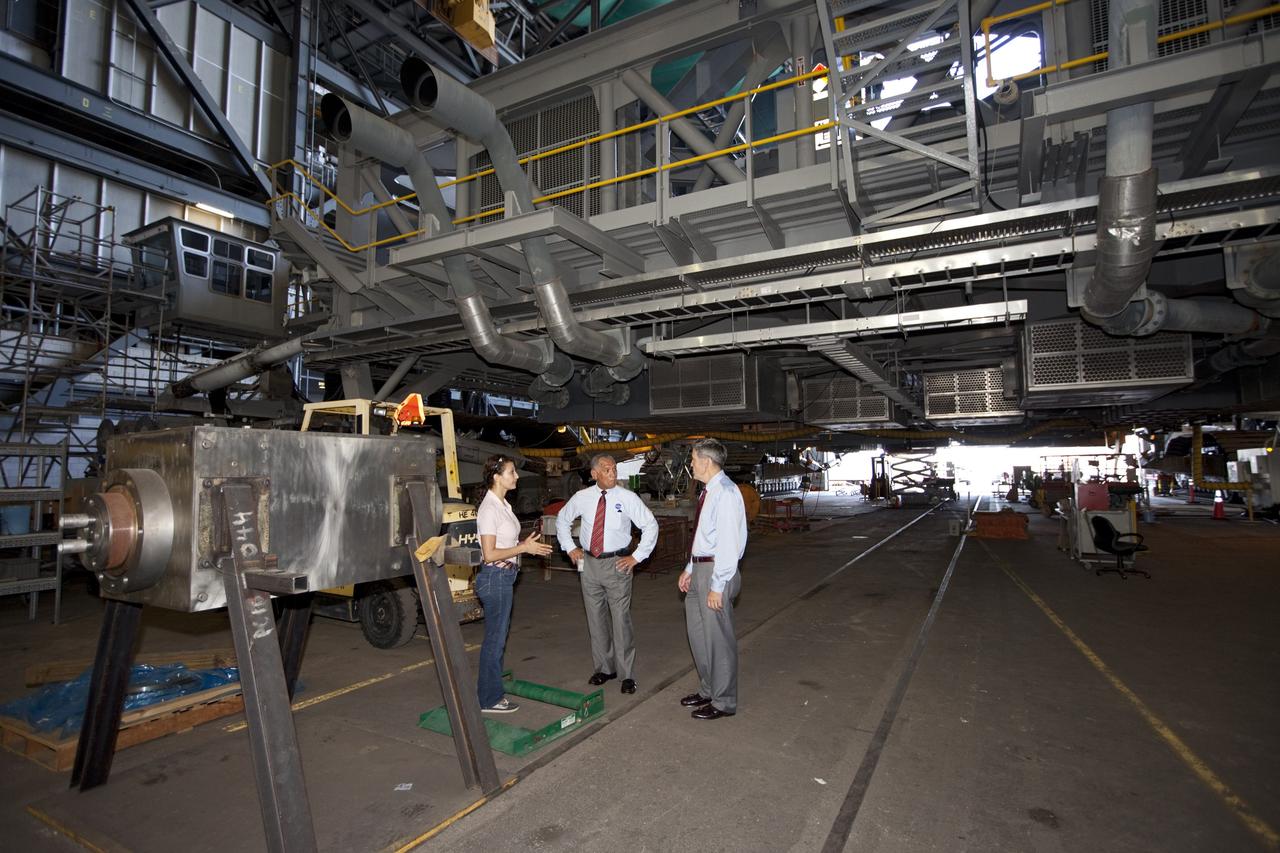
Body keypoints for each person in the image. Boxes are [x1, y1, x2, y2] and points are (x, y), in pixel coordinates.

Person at [556, 453, 659, 695]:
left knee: (620, 620)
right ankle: (604, 668)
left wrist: (637, 556)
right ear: (594, 475)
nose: (612, 472)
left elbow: (650, 524)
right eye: (606, 469)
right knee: (595, 618)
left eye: (613, 468)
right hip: (589, 565)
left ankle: (626, 674)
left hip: (617, 564)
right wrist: (570, 548)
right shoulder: (582, 498)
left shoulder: (627, 497)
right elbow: (562, 520)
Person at [474, 454, 551, 713]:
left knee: (497, 640)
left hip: (504, 578)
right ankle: (489, 699)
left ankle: (490, 694)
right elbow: (489, 554)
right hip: (495, 579)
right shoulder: (489, 509)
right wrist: (524, 547)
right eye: (511, 472)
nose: (516, 476)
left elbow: (505, 545)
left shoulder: (503, 505)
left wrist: (523, 547)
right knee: (495, 642)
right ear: (497, 477)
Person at [678, 437, 747, 720]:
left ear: (706, 461)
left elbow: (729, 545)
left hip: (718, 572)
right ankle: (708, 689)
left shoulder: (727, 493)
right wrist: (689, 568)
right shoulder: (709, 492)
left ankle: (724, 701)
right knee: (699, 637)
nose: (691, 464)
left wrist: (717, 586)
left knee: (718, 640)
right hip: (701, 570)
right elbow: (705, 539)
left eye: (693, 459)